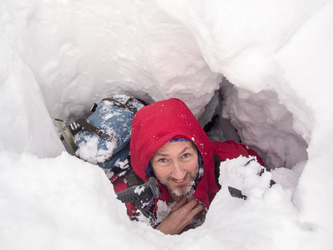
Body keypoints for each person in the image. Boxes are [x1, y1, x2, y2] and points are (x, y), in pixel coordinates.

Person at [110, 98, 264, 235]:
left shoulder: (229, 159)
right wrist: (162, 233)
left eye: (185, 156)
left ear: (199, 150)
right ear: (148, 164)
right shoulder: (126, 197)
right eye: (163, 160)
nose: (179, 174)